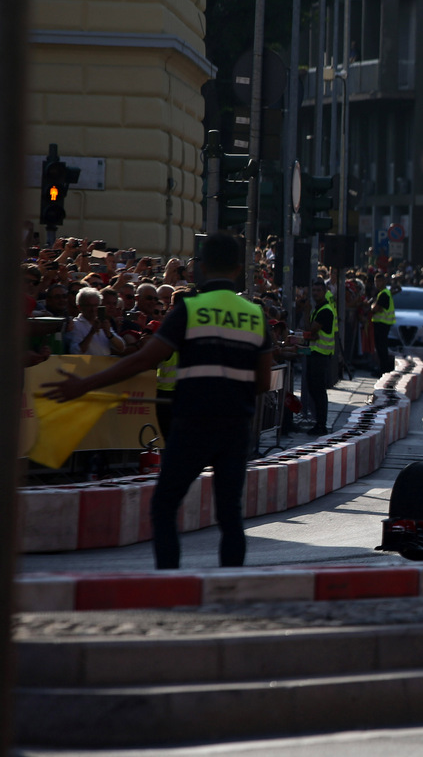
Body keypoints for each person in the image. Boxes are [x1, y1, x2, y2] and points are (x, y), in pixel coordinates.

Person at [42, 233, 274, 569]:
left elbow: (141, 360)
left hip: (193, 422)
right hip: (236, 425)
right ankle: (231, 587)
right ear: (239, 269)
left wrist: (85, 385)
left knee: (165, 506)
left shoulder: (189, 309)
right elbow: (264, 381)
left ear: (202, 268)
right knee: (230, 514)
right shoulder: (255, 315)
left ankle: (169, 580)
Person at [304, 277, 337, 435]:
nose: (315, 293)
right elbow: (311, 334)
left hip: (321, 355)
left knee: (318, 391)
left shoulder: (324, 310)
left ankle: (321, 424)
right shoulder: (318, 308)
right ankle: (318, 423)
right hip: (315, 354)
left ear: (324, 292)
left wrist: (305, 311)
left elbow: (311, 330)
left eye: (319, 291)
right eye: (314, 291)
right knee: (313, 389)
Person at [67, 287, 126, 356]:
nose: (93, 309)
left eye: (95, 305)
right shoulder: (75, 325)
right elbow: (76, 351)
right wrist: (91, 332)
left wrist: (109, 334)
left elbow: (121, 348)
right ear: (79, 307)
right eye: (89, 306)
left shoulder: (102, 323)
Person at [369, 271, 395, 376]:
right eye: (376, 281)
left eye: (379, 281)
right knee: (380, 347)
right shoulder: (381, 293)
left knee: (381, 348)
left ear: (384, 281)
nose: (377, 283)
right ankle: (382, 368)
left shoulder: (384, 294)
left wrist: (372, 306)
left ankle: (383, 369)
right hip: (381, 323)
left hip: (382, 324)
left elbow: (375, 309)